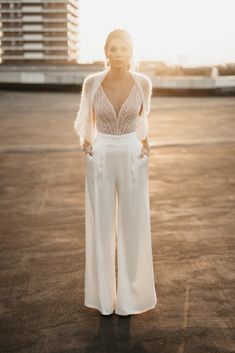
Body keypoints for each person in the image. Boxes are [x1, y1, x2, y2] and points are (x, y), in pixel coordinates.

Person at [74, 29, 157, 317]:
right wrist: (86, 143)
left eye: (123, 48)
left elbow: (143, 119)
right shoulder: (92, 83)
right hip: (102, 155)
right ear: (105, 51)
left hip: (133, 155)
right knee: (102, 227)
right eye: (113, 48)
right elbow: (86, 119)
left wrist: (146, 144)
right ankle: (103, 299)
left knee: (134, 226)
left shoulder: (144, 83)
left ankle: (131, 299)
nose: (118, 53)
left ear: (132, 51)